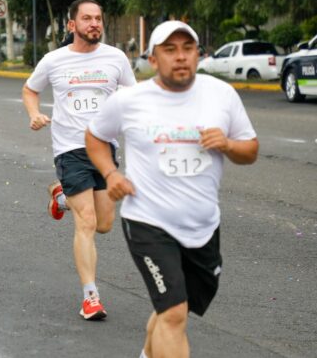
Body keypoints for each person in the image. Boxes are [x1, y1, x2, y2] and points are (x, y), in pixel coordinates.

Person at [85, 21, 258, 358]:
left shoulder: (221, 94)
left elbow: (250, 149)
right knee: (175, 313)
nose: (180, 57)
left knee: (174, 309)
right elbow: (95, 136)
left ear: (197, 54)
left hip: (203, 226)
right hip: (147, 221)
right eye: (170, 50)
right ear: (152, 59)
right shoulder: (129, 100)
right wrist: (111, 173)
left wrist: (227, 145)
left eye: (187, 48)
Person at [21, 0, 136, 321]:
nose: (94, 24)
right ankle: (90, 296)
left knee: (104, 224)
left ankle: (61, 194)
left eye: (98, 18)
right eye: (87, 19)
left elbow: (133, 96)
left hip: (105, 149)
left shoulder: (115, 58)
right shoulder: (54, 60)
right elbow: (30, 90)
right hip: (70, 147)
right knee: (85, 221)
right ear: (72, 25)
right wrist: (34, 113)